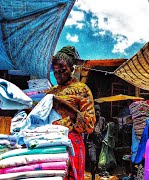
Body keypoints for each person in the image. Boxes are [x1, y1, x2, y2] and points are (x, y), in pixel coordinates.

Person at [46, 46, 96, 180]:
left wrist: (68, 109)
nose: (58, 75)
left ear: (72, 69)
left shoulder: (82, 89)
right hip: (48, 144)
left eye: (62, 70)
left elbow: (90, 125)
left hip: (71, 145)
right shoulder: (51, 92)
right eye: (55, 71)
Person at [86, 104, 106, 180]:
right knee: (93, 160)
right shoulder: (90, 119)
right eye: (96, 111)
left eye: (99, 111)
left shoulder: (102, 119)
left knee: (98, 161)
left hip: (99, 142)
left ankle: (94, 175)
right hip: (91, 142)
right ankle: (93, 176)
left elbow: (104, 130)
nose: (98, 112)